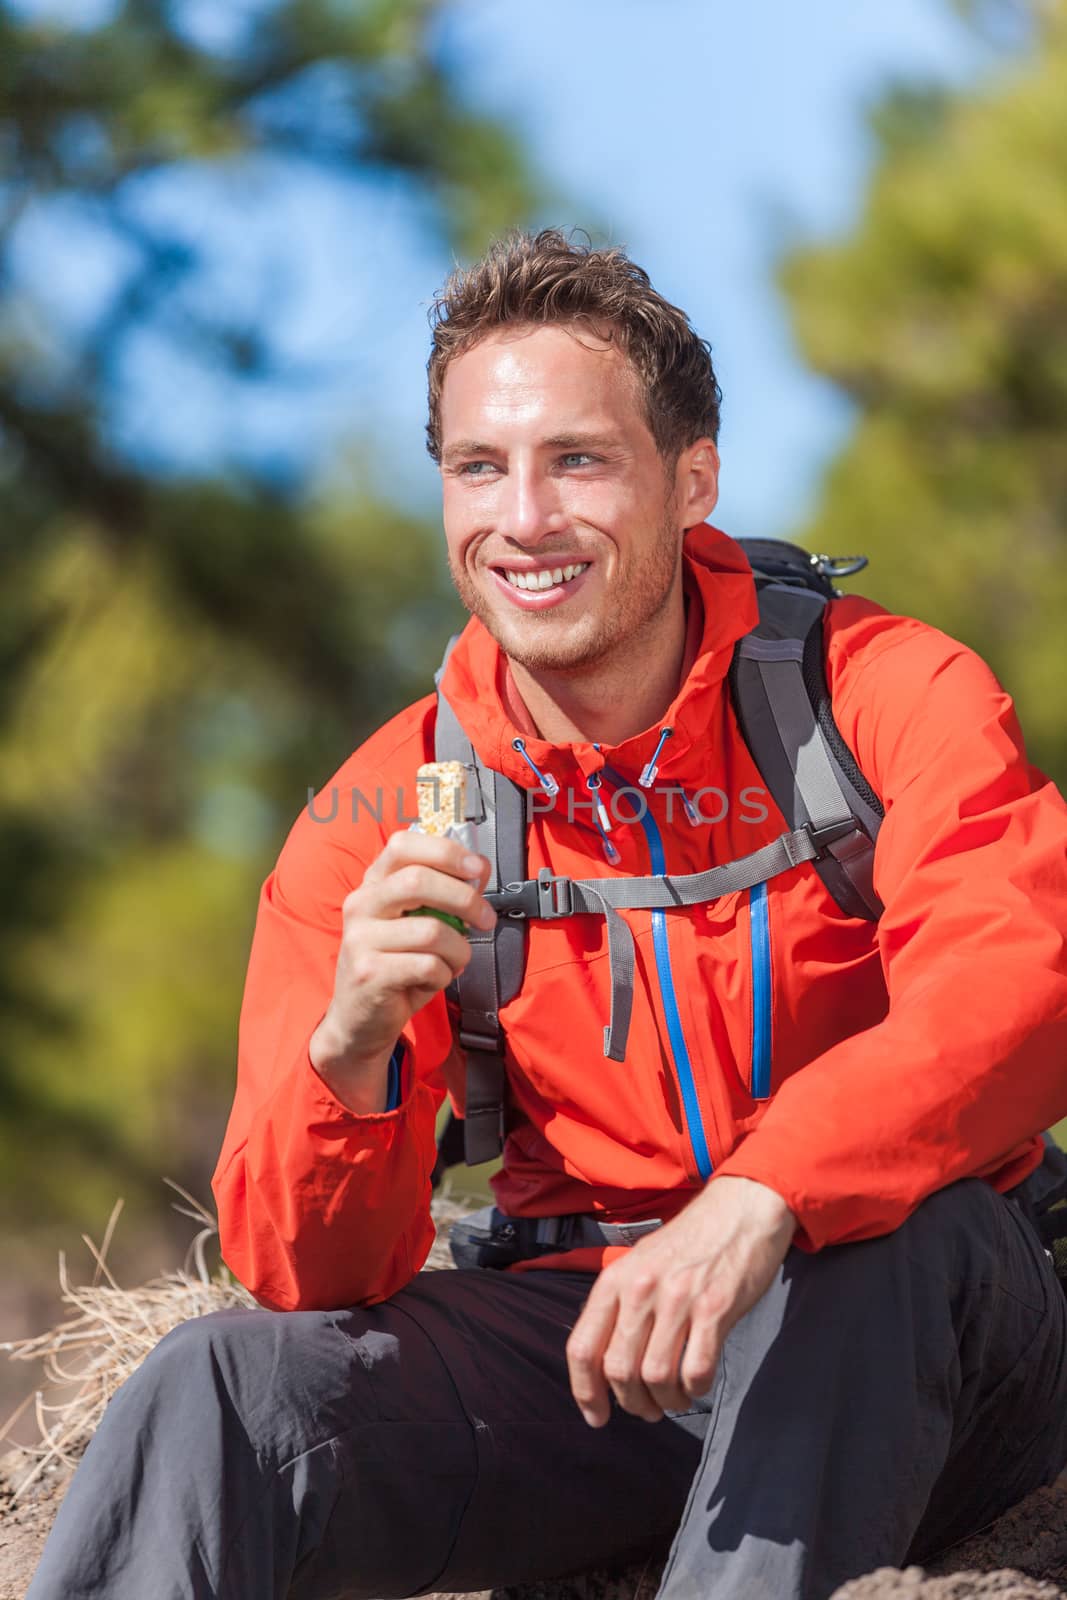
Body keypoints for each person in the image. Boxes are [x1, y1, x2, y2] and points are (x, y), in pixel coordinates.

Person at [27, 229, 1067, 1600]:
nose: (523, 517)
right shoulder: (381, 810)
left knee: (873, 1249)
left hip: (921, 1334)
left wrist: (771, 1189)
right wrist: (346, 1060)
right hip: (589, 1352)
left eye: (578, 460)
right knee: (218, 1386)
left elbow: (1021, 996)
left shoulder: (885, 696)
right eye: (479, 467)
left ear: (692, 479)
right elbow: (306, 1277)